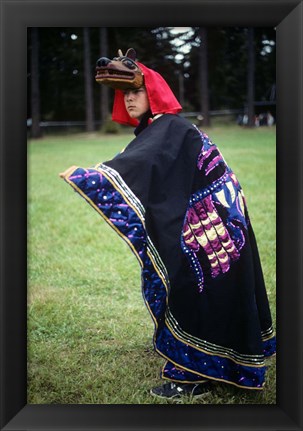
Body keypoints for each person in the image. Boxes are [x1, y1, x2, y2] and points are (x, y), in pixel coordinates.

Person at [60, 48, 276, 401]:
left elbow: (138, 163)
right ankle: (213, 361)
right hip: (213, 213)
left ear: (153, 92)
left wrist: (93, 177)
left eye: (136, 92)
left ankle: (193, 375)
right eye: (125, 94)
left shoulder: (169, 126)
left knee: (194, 285)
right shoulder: (162, 128)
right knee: (203, 287)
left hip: (214, 219)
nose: (129, 100)